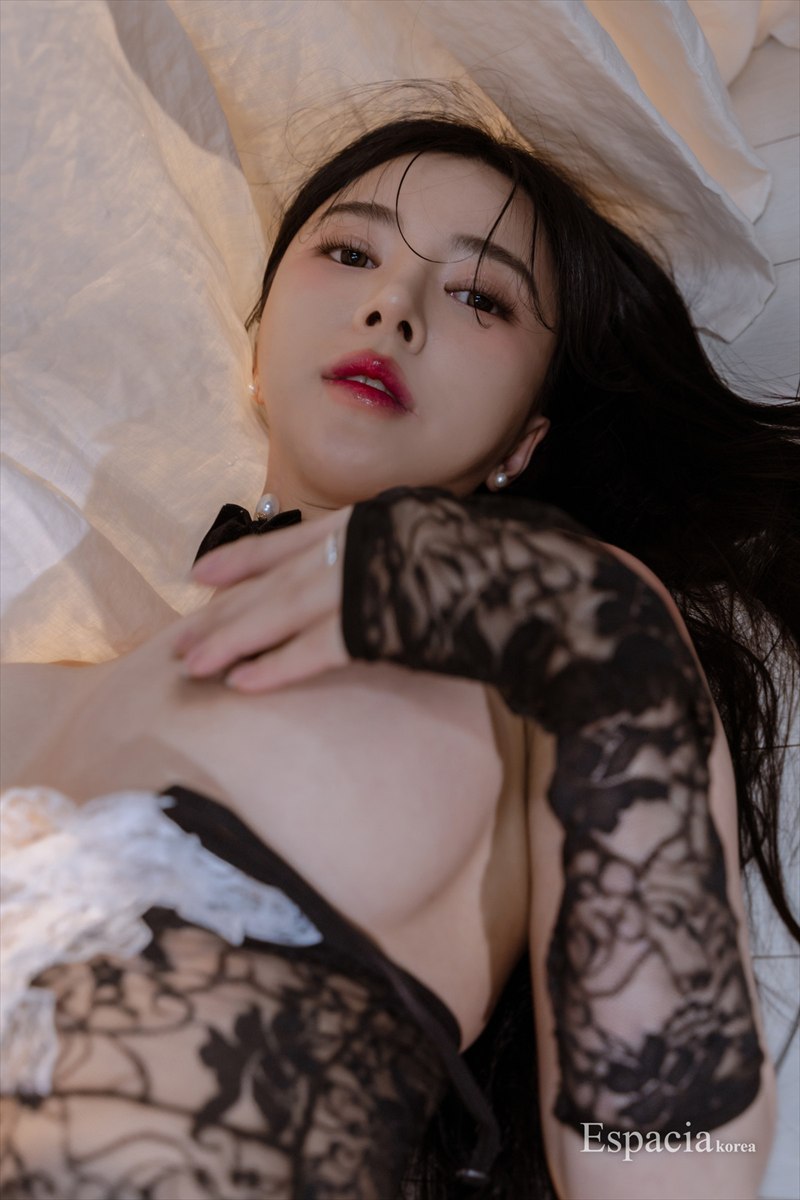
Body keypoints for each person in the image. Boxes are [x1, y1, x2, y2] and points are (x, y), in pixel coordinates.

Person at [1, 114, 797, 1200]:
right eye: (349, 251)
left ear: (523, 443)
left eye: (481, 297)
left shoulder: (573, 640)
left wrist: (592, 615)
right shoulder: (41, 681)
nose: (394, 304)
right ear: (256, 350)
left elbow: (674, 1180)